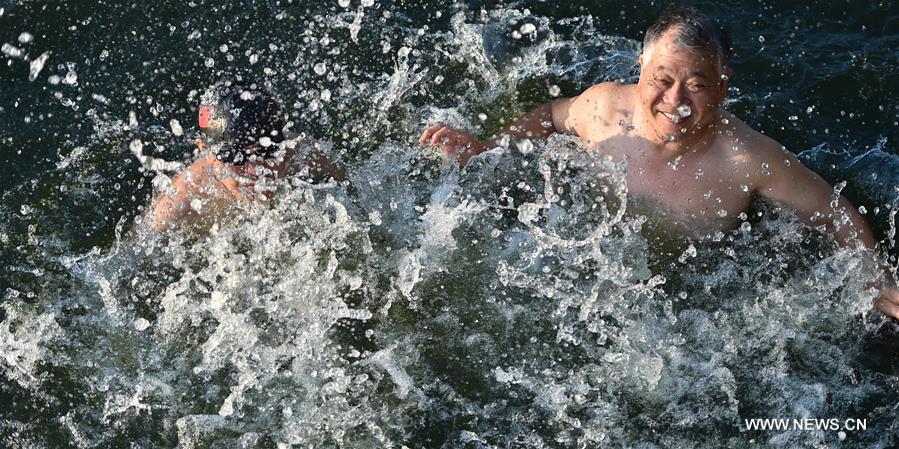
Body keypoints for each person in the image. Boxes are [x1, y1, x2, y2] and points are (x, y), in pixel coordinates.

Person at [419, 8, 899, 319]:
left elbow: (833, 211)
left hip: (680, 300)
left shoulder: (748, 159)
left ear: (723, 86)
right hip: (575, 261)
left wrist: (878, 282)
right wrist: (489, 148)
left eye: (698, 83)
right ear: (641, 72)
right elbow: (549, 115)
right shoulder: (604, 109)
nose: (676, 100)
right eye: (662, 79)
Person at [146, 78, 345, 231]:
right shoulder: (175, 208)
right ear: (205, 151)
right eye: (234, 156)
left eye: (266, 149)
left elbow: (351, 192)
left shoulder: (302, 153)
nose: (253, 170)